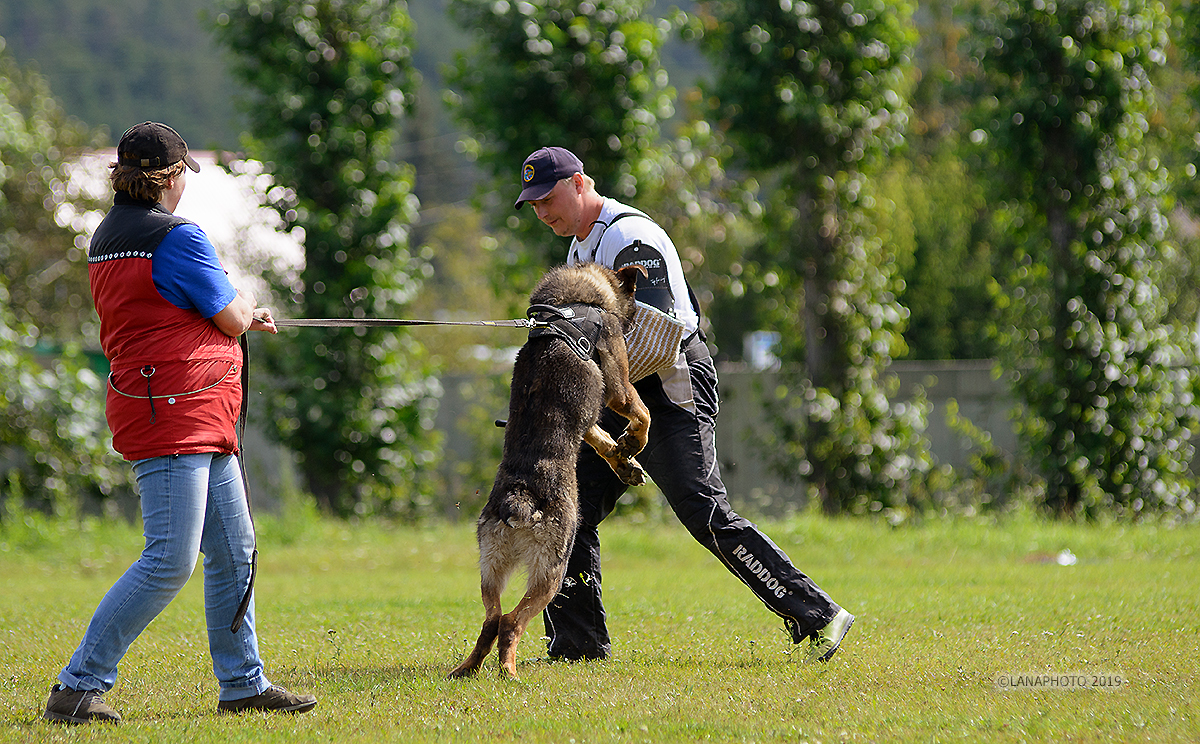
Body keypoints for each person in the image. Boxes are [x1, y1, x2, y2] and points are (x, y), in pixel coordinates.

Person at [515, 146, 855, 663]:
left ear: (580, 183)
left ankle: (817, 614)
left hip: (670, 387)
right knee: (566, 507)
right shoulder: (579, 250)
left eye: (549, 198)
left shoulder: (630, 238)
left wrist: (588, 363)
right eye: (532, 204)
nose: (542, 212)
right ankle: (577, 648)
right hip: (620, 391)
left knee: (704, 510)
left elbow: (657, 333)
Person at [43, 122, 316, 724]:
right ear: (169, 178)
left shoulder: (106, 238)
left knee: (234, 548)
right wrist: (248, 310)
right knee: (170, 558)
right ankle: (78, 686)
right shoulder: (178, 237)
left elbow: (168, 313)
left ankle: (243, 684)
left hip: (175, 408)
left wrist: (234, 314)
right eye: (181, 177)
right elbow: (226, 314)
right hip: (178, 412)